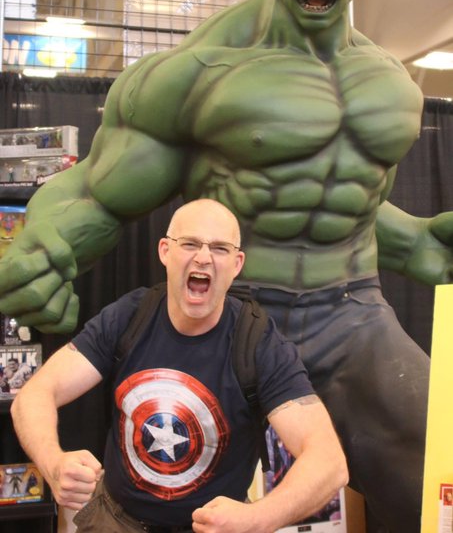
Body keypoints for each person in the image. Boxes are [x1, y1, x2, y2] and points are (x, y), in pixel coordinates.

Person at [0, 0, 446, 531]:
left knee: (433, 471)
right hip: (227, 317)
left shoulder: (387, 84)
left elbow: (347, 204)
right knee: (172, 492)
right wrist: (44, 245)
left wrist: (421, 241)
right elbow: (96, 191)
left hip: (350, 314)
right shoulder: (203, 72)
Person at [10, 199, 348, 533]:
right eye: (190, 244)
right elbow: (35, 393)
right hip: (114, 520)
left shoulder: (258, 342)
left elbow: (329, 462)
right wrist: (53, 463)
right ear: (165, 251)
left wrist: (256, 519)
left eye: (219, 248)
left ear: (237, 264)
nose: (203, 257)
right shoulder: (129, 317)